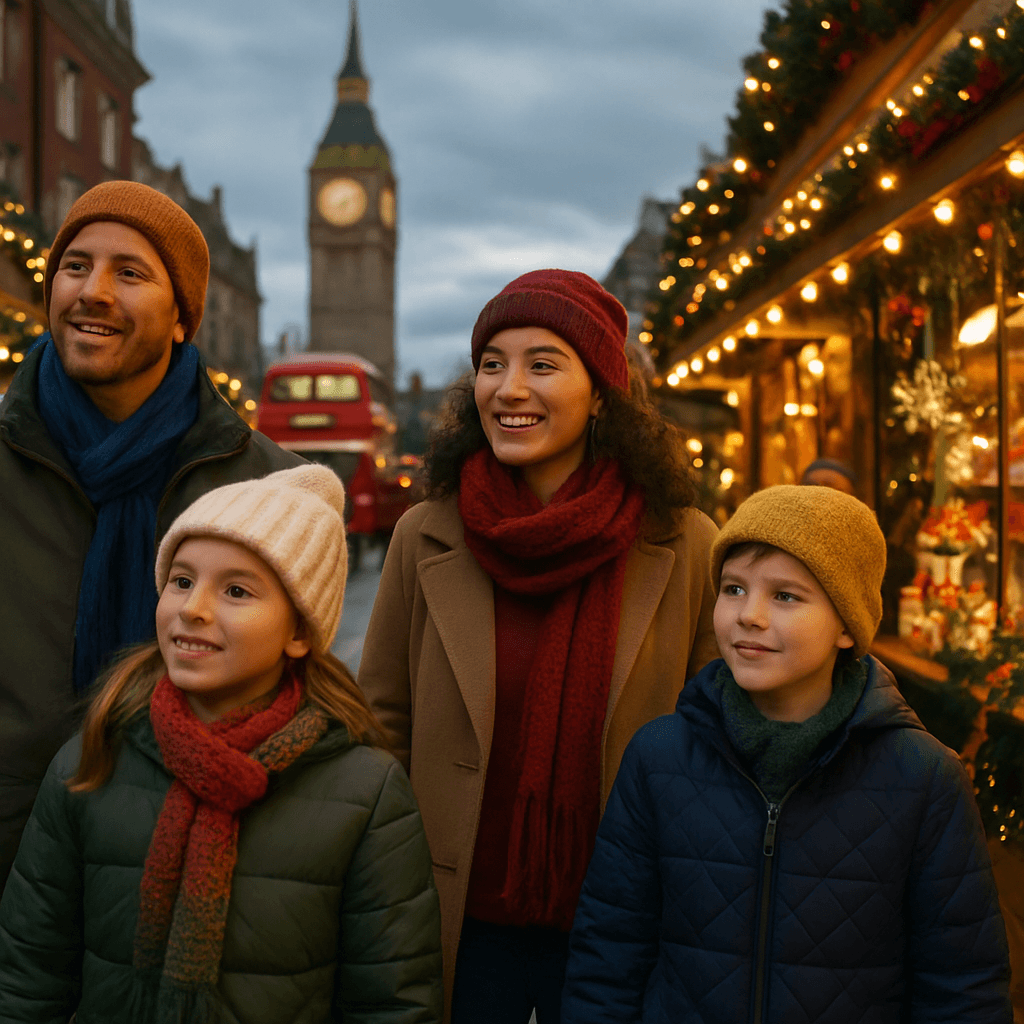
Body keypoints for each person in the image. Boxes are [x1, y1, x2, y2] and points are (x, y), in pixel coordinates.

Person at [357, 269, 720, 1023]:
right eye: (492, 364)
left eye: (542, 364)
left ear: (601, 395)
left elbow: (716, 745)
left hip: (618, 925)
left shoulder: (686, 546)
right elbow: (380, 730)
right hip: (453, 918)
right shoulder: (424, 534)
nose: (508, 388)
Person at [0, 464, 443, 1023]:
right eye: (181, 580)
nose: (194, 608)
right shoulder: (91, 761)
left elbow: (393, 1003)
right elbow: (25, 977)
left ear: (300, 632)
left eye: (236, 590)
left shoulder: (367, 794)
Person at [561, 484, 1012, 1024]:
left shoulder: (923, 778)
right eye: (733, 589)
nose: (749, 615)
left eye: (785, 596)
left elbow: (962, 987)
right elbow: (609, 954)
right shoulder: (659, 758)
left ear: (847, 624)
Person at [0, 181, 303, 893]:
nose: (93, 292)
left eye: (129, 273)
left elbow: (308, 713)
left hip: (194, 876)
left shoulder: (266, 488)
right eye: (74, 266)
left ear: (181, 316)